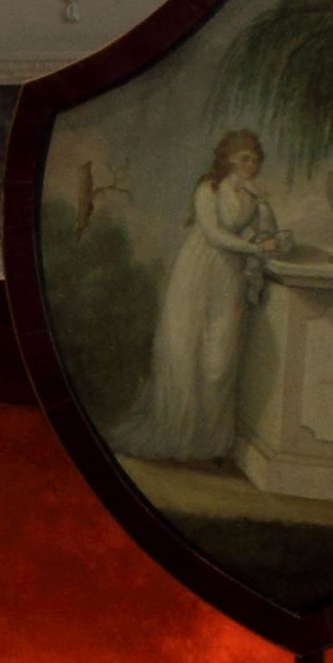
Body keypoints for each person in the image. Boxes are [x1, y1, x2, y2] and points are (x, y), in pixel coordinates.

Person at [127, 129, 284, 467]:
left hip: (229, 277)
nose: (251, 166)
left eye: (256, 160)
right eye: (245, 159)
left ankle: (211, 444)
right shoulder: (208, 189)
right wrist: (256, 247)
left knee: (219, 363)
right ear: (229, 159)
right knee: (184, 353)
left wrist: (264, 202)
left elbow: (269, 232)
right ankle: (181, 440)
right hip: (197, 272)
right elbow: (215, 234)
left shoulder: (253, 195)